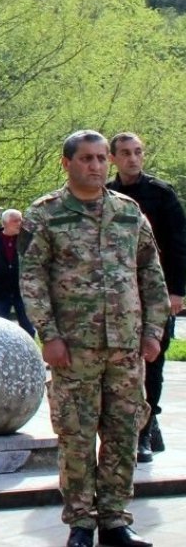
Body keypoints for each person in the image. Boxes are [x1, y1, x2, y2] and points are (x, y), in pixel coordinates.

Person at [20, 130, 167, 547]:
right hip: (73, 349)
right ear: (67, 163)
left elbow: (151, 275)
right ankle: (81, 523)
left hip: (125, 348)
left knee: (123, 434)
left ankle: (116, 521)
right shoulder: (45, 214)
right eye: (87, 158)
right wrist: (49, 335)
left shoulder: (128, 212)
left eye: (102, 158)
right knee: (77, 437)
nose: (97, 166)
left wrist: (153, 331)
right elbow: (31, 280)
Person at [107, 132, 186, 462]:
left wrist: (177, 292)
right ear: (113, 158)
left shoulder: (161, 193)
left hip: (156, 293)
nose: (133, 159)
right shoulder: (105, 194)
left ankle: (146, 429)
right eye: (125, 153)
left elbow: (179, 243)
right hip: (117, 296)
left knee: (152, 361)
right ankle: (122, 429)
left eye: (138, 152)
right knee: (119, 365)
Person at [0, 209, 35, 336]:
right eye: (15, 221)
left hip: (22, 290)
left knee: (28, 327)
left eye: (21, 220)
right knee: (0, 328)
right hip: (0, 290)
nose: (19, 223)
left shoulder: (26, 240)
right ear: (5, 223)